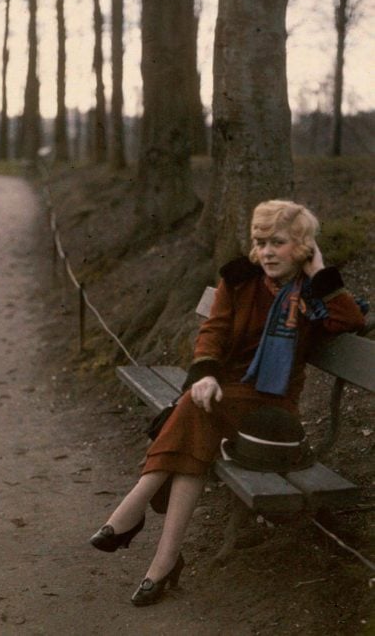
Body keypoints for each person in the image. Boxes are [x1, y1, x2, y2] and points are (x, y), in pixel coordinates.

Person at [89, 199, 366, 607]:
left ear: (302, 247)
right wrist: (205, 375)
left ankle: (130, 512)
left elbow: (350, 322)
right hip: (224, 396)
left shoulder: (312, 293)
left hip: (272, 409)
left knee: (196, 409)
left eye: (279, 242)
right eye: (261, 241)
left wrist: (320, 271)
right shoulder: (239, 281)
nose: (268, 251)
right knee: (199, 412)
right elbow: (213, 334)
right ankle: (162, 562)